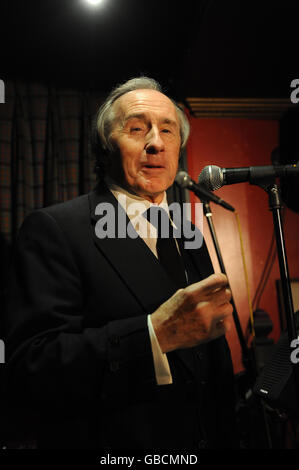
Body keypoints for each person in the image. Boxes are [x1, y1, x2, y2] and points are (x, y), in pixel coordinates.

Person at [4, 77, 237, 450]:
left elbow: (211, 360)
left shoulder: (189, 231)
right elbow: (31, 368)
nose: (156, 142)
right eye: (136, 128)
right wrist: (153, 334)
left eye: (167, 130)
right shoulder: (54, 229)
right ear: (105, 145)